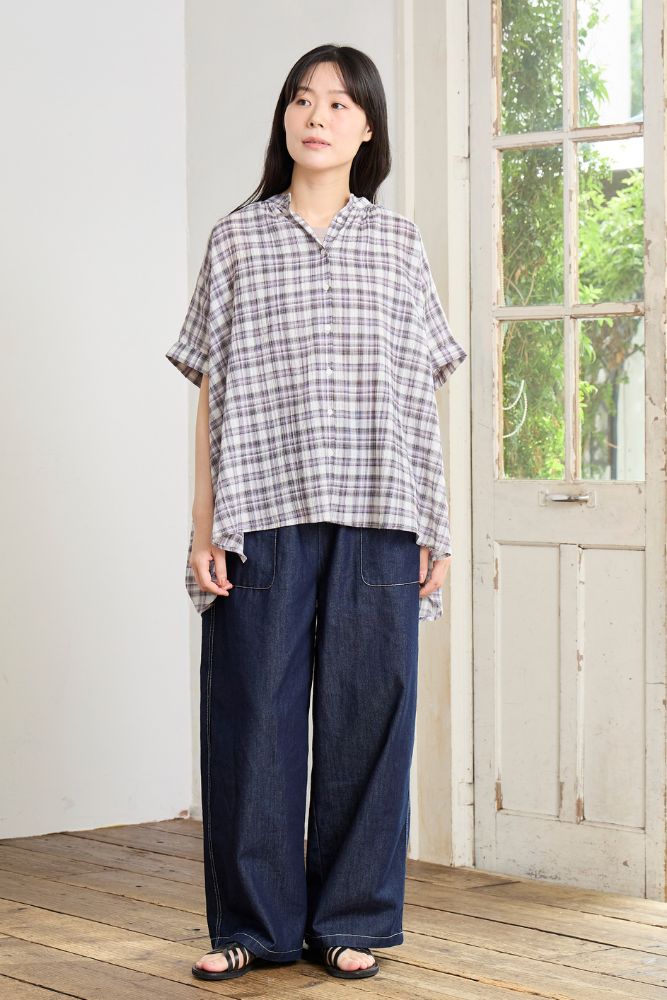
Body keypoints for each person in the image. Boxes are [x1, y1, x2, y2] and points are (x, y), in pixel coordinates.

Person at [165, 43, 467, 983]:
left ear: (367, 127)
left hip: (380, 509)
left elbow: (423, 395)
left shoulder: (398, 244)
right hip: (262, 509)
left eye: (338, 104)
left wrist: (437, 525)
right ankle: (253, 928)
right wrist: (203, 525)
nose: (316, 117)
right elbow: (209, 392)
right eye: (302, 99)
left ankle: (349, 922)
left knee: (368, 720)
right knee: (251, 714)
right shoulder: (236, 240)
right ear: (285, 119)